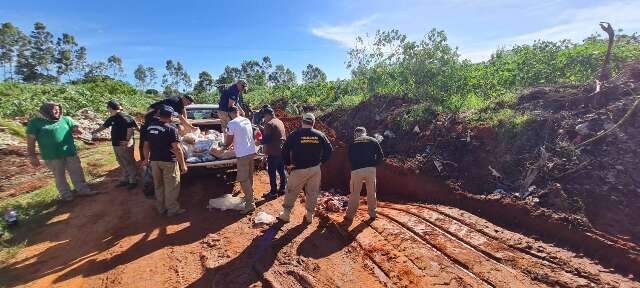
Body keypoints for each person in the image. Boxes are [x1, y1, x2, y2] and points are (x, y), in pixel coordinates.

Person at [26, 102, 95, 201]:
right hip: (52, 156)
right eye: (54, 110)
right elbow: (30, 140)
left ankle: (83, 190)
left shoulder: (66, 119)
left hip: (70, 152)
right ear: (46, 111)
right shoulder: (35, 123)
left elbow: (77, 129)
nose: (57, 112)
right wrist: (32, 156)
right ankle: (67, 196)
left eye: (58, 110)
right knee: (59, 176)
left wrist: (79, 130)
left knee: (77, 172)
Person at [278, 113, 333, 224]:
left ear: (302, 121)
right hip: (315, 170)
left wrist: (288, 164)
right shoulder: (320, 135)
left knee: (291, 191)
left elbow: (284, 150)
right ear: (313, 122)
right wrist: (322, 162)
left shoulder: (294, 135)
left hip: (298, 169)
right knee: (312, 192)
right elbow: (329, 150)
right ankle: (309, 216)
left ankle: (286, 215)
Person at [143, 105, 188, 216]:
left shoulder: (150, 127)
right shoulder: (171, 129)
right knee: (171, 186)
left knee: (158, 185)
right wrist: (183, 165)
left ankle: (161, 208)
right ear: (170, 116)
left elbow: (146, 145)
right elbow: (177, 149)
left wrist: (146, 159)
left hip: (154, 161)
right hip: (168, 161)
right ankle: (172, 209)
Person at [91, 100, 138, 189]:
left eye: (108, 108)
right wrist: (93, 131)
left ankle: (133, 180)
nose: (108, 109)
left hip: (124, 143)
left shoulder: (123, 116)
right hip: (116, 144)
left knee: (128, 161)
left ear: (110, 108)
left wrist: (127, 140)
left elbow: (131, 128)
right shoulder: (112, 118)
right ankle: (125, 179)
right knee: (121, 161)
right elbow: (104, 126)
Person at [223, 106, 257, 214]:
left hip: (242, 154)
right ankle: (250, 198)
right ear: (238, 112)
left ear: (230, 114)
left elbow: (229, 140)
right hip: (251, 152)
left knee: (243, 179)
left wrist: (224, 146)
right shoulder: (246, 120)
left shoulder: (232, 123)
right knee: (249, 177)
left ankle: (250, 204)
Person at [345, 127, 384, 222]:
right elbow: (381, 156)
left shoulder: (352, 143)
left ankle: (350, 215)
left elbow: (349, 158)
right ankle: (372, 214)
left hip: (356, 171)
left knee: (354, 193)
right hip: (370, 170)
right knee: (371, 192)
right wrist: (373, 164)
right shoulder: (373, 140)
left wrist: (355, 166)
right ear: (365, 133)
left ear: (355, 134)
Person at [140, 94, 195, 160]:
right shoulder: (176, 102)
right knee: (147, 142)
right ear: (184, 99)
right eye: (188, 103)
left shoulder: (178, 101)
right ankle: (145, 160)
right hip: (151, 122)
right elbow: (181, 117)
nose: (188, 105)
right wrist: (191, 127)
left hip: (155, 120)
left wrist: (187, 125)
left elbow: (183, 111)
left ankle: (148, 160)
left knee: (151, 141)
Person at [259, 106, 287, 199]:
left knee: (272, 172)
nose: (264, 118)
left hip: (273, 152)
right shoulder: (279, 121)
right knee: (281, 171)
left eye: (264, 116)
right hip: (282, 151)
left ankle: (273, 192)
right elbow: (275, 135)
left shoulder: (269, 124)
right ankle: (283, 188)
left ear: (267, 115)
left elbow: (266, 139)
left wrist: (257, 141)